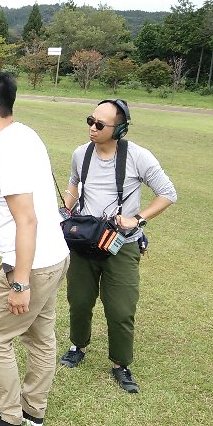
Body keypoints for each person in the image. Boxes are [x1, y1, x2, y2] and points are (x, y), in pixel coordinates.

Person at [0, 70, 70, 426]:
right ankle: (33, 408)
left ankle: (7, 416)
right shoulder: (24, 133)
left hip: (31, 264)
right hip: (55, 256)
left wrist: (19, 282)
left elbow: (27, 220)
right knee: (41, 336)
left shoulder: (7, 148)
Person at [59, 99, 177, 393]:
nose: (92, 128)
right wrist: (67, 205)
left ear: (120, 129)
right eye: (90, 120)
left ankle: (121, 364)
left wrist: (136, 218)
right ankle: (78, 346)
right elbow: (74, 184)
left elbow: (167, 193)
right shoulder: (80, 154)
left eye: (100, 124)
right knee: (80, 300)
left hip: (121, 244)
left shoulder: (139, 157)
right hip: (84, 240)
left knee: (121, 309)